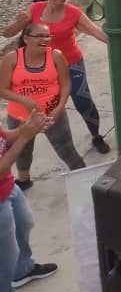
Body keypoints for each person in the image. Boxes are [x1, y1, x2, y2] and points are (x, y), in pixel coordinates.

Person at [3, 0, 109, 154]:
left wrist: (119, 43)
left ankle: (96, 136)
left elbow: (95, 31)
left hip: (71, 63)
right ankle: (30, 140)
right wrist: (18, 23)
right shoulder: (35, 9)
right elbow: (7, 33)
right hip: (42, 68)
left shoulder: (73, 12)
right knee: (42, 103)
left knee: (83, 101)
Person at [0, 23, 85, 188]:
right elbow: (2, 89)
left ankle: (84, 178)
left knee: (66, 149)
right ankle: (24, 180)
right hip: (20, 117)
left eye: (47, 36)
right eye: (39, 36)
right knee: (22, 151)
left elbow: (65, 84)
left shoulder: (56, 56)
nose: (45, 39)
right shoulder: (12, 58)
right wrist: (24, 100)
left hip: (52, 114)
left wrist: (60, 107)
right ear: (26, 38)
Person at [0, 110, 59, 292]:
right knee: (5, 254)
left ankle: (22, 270)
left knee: (24, 223)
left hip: (8, 187)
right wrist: (24, 138)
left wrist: (26, 129)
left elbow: (3, 138)